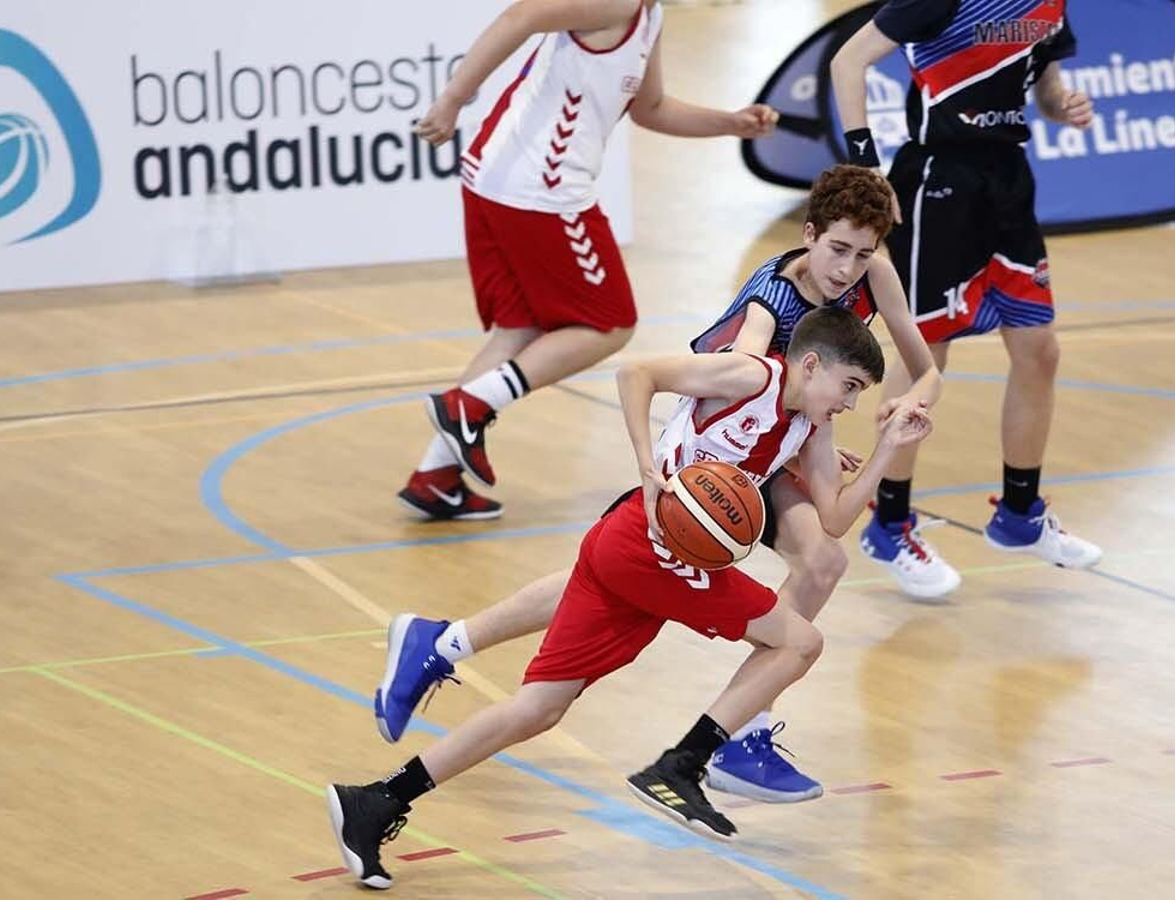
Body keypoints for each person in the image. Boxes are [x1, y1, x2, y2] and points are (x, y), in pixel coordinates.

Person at [370, 166, 941, 808]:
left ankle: (443, 643)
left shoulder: (871, 277)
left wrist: (894, 418)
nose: (849, 269)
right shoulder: (767, 316)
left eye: (863, 255)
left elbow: (924, 371)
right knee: (813, 566)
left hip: (775, 441)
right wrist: (743, 454)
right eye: (838, 251)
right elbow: (719, 400)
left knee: (607, 589)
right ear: (810, 235)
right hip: (722, 455)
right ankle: (736, 732)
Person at [329, 308, 933, 888]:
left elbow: (832, 519)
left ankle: (376, 801)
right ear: (808, 364)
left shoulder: (811, 425)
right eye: (848, 386)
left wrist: (887, 450)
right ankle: (683, 764)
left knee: (538, 708)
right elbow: (635, 372)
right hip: (651, 544)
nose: (851, 402)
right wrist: (648, 467)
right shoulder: (751, 375)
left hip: (637, 551)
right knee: (800, 641)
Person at [399, 0, 778, 520]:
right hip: (541, 191)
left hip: (498, 179)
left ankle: (436, 477)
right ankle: (467, 406)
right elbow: (520, 16)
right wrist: (452, 100)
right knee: (610, 322)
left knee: (523, 330)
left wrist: (730, 123)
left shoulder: (649, 14)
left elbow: (652, 108)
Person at [829, 0, 1104, 588]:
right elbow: (847, 61)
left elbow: (1046, 83)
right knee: (926, 355)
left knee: (1040, 351)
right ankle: (889, 522)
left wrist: (1064, 106)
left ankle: (1019, 513)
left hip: (1009, 179)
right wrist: (866, 164)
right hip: (939, 182)